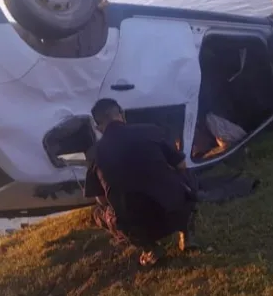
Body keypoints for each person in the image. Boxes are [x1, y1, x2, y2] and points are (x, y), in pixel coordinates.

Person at [85, 98, 199, 266]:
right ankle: (186, 232)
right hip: (174, 213)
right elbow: (181, 165)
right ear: (122, 114)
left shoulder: (95, 154)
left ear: (98, 128)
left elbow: (102, 199)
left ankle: (150, 248)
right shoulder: (150, 130)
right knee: (186, 175)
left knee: (99, 213)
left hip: (138, 228)